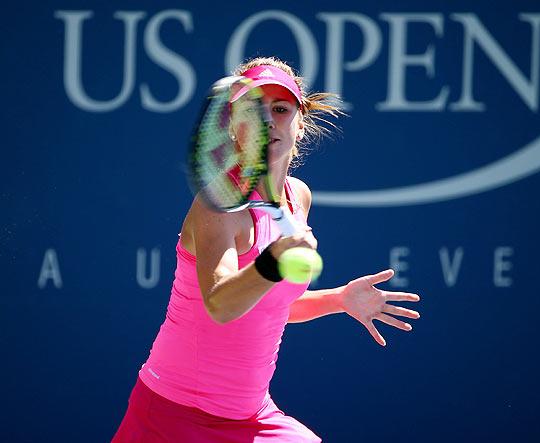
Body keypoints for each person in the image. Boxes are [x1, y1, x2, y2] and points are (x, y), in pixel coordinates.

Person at [111, 56, 421, 443]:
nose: (268, 121)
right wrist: (272, 264)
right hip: (173, 416)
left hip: (251, 417)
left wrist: (339, 299)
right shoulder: (219, 205)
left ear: (300, 122)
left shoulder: (298, 197)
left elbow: (270, 306)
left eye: (280, 109)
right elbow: (221, 304)